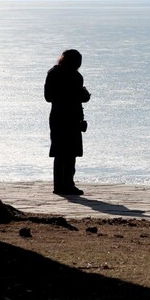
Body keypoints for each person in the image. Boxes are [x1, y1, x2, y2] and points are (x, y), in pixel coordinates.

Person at [44, 49, 91, 196]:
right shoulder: (74, 76)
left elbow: (48, 97)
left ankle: (61, 185)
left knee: (63, 153)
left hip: (60, 116)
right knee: (68, 154)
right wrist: (79, 94)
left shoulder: (54, 73)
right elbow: (51, 96)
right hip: (67, 117)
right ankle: (67, 185)